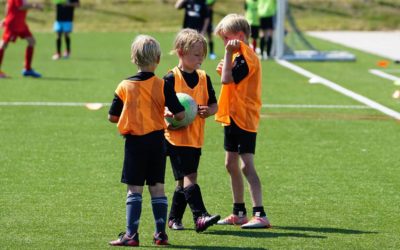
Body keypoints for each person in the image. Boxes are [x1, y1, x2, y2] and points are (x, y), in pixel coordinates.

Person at [108, 35, 185, 247]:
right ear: (158, 59)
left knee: (134, 190)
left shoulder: (124, 85)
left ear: (134, 58)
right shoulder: (163, 85)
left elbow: (112, 117)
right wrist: (170, 112)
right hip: (157, 143)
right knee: (157, 188)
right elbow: (179, 115)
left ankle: (131, 235)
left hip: (134, 144)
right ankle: (161, 234)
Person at [214, 14, 272, 229]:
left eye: (226, 39)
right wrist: (227, 63)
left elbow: (226, 79)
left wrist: (227, 59)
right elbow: (230, 78)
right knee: (230, 164)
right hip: (232, 115)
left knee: (247, 166)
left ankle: (260, 214)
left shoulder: (247, 56)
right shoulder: (239, 56)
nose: (224, 44)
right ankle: (239, 211)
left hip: (244, 117)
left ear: (239, 36)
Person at [164, 28, 220, 233]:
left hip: (195, 137)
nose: (200, 59)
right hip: (175, 138)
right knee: (190, 177)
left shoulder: (204, 78)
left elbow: (215, 105)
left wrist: (208, 111)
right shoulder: (171, 78)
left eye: (202, 55)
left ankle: (173, 219)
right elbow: (161, 107)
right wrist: (168, 116)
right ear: (180, 52)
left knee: (183, 182)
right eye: (196, 55)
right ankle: (200, 216)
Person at [0, 0, 43, 78]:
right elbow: (20, 6)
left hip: (21, 23)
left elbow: (8, 5)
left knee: (31, 41)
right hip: (13, 23)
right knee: (3, 45)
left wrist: (5, 18)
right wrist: (34, 5)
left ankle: (27, 69)